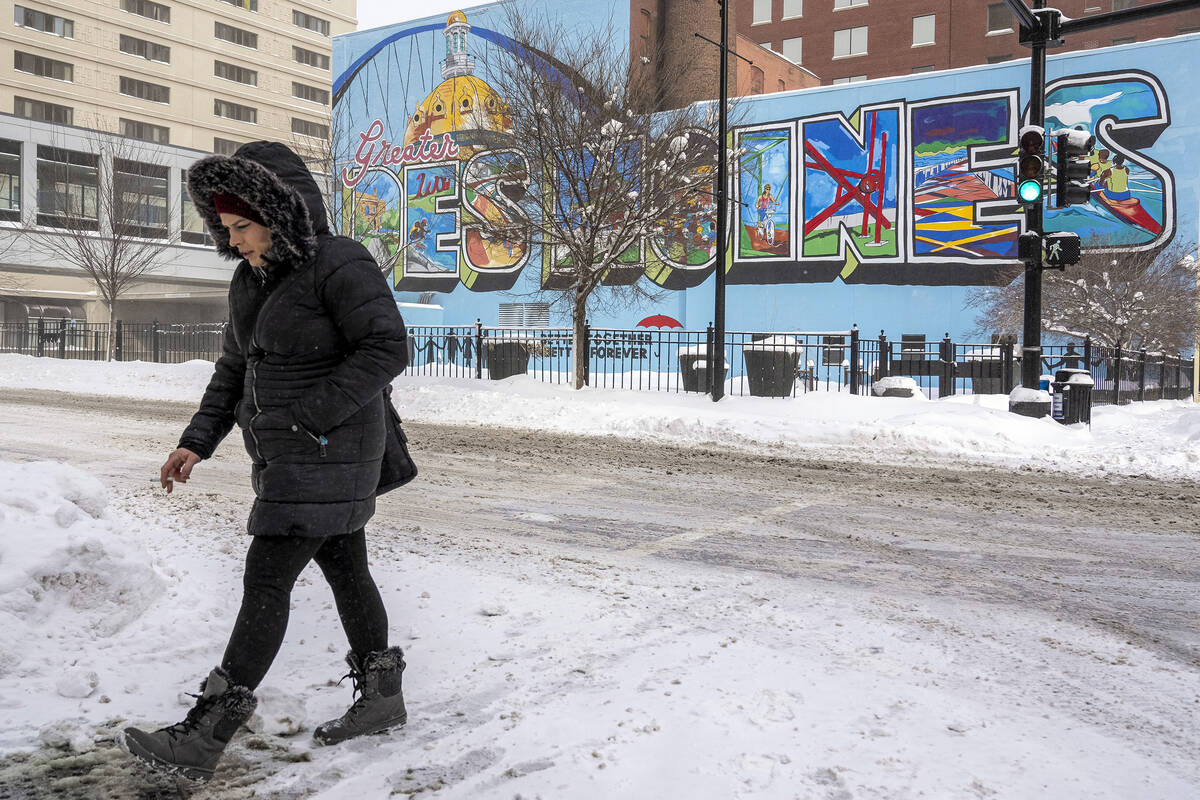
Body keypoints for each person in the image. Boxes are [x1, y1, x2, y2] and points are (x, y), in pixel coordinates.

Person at [122, 141, 411, 784]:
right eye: (227, 232)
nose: (237, 243)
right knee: (345, 566)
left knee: (266, 578)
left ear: (277, 212)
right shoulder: (251, 280)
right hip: (293, 454)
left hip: (330, 450)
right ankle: (383, 698)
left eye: (243, 228)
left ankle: (205, 734)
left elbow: (388, 346)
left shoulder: (339, 262)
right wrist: (197, 440)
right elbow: (234, 368)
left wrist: (308, 417)